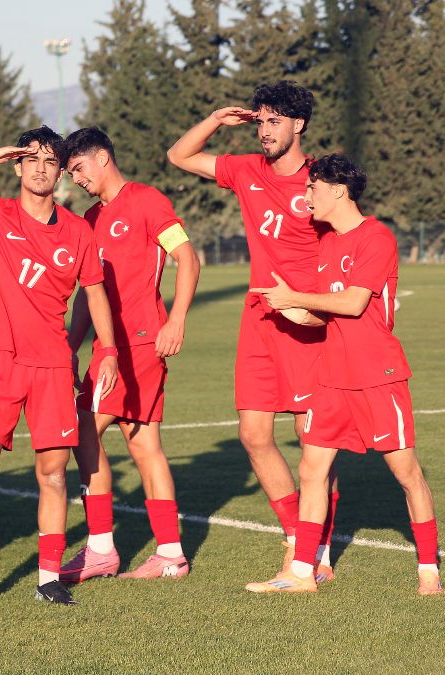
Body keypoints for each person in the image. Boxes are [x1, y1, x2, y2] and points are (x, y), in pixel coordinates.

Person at [0, 126, 118, 607]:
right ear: (17, 166)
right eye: (31, 159)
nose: (40, 169)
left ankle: (48, 577)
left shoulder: (78, 231)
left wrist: (110, 351)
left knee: (53, 475)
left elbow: (95, 293)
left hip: (52, 367)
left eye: (50, 162)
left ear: (60, 173)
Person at [251, 154, 443, 595]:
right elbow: (325, 315)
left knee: (407, 473)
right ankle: (303, 573)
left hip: (378, 374)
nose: (306, 196)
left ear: (338, 190)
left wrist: (296, 297)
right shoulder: (327, 242)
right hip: (331, 375)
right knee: (311, 469)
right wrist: (289, 308)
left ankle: (429, 570)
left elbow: (355, 304)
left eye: (312, 187)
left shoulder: (376, 237)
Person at [167, 80, 336, 582]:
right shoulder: (245, 170)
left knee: (311, 440)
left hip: (307, 321)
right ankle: (298, 542)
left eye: (274, 121)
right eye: (260, 121)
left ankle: (320, 552)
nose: (264, 130)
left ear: (298, 124)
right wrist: (217, 121)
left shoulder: (320, 180)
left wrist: (321, 305)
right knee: (253, 435)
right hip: (259, 320)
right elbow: (179, 155)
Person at [59, 127, 200, 582]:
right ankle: (171, 553)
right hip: (106, 348)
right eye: (70, 173)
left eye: (78, 168)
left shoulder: (146, 200)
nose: (76, 178)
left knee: (83, 428)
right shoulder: (89, 218)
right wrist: (71, 345)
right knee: (143, 445)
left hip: (137, 343)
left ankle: (101, 548)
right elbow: (89, 294)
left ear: (102, 157)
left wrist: (176, 320)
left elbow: (188, 258)